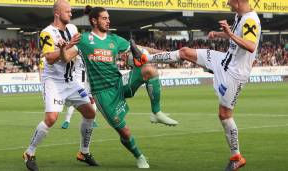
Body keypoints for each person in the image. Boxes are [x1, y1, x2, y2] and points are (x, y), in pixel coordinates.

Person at [131, 0, 261, 170]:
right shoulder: (239, 16)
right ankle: (144, 58)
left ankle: (236, 157)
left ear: (237, 1)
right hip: (224, 60)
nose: (227, 2)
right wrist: (220, 34)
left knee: (224, 115)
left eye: (229, 0)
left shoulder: (250, 19)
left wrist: (228, 32)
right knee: (185, 52)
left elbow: (251, 46)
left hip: (234, 74)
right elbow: (238, 35)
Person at [58, 5, 178, 168]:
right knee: (125, 132)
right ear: (94, 20)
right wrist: (63, 48)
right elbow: (66, 58)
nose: (108, 21)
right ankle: (139, 156)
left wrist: (169, 56)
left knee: (149, 69)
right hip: (103, 94)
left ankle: (156, 112)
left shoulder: (115, 40)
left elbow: (143, 51)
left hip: (119, 83)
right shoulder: (84, 39)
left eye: (108, 18)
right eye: (104, 18)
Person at [22, 1, 98, 171]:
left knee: (90, 112)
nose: (71, 14)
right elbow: (50, 57)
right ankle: (29, 152)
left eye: (71, 11)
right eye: (68, 11)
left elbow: (73, 53)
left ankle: (83, 152)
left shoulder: (72, 29)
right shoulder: (47, 33)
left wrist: (68, 50)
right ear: (57, 13)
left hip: (71, 81)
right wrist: (69, 48)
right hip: (53, 82)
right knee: (51, 118)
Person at [61, 55, 98, 129]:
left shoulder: (92, 56)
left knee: (92, 100)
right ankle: (67, 120)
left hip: (89, 82)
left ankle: (93, 120)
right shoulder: (77, 55)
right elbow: (69, 60)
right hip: (78, 83)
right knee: (74, 100)